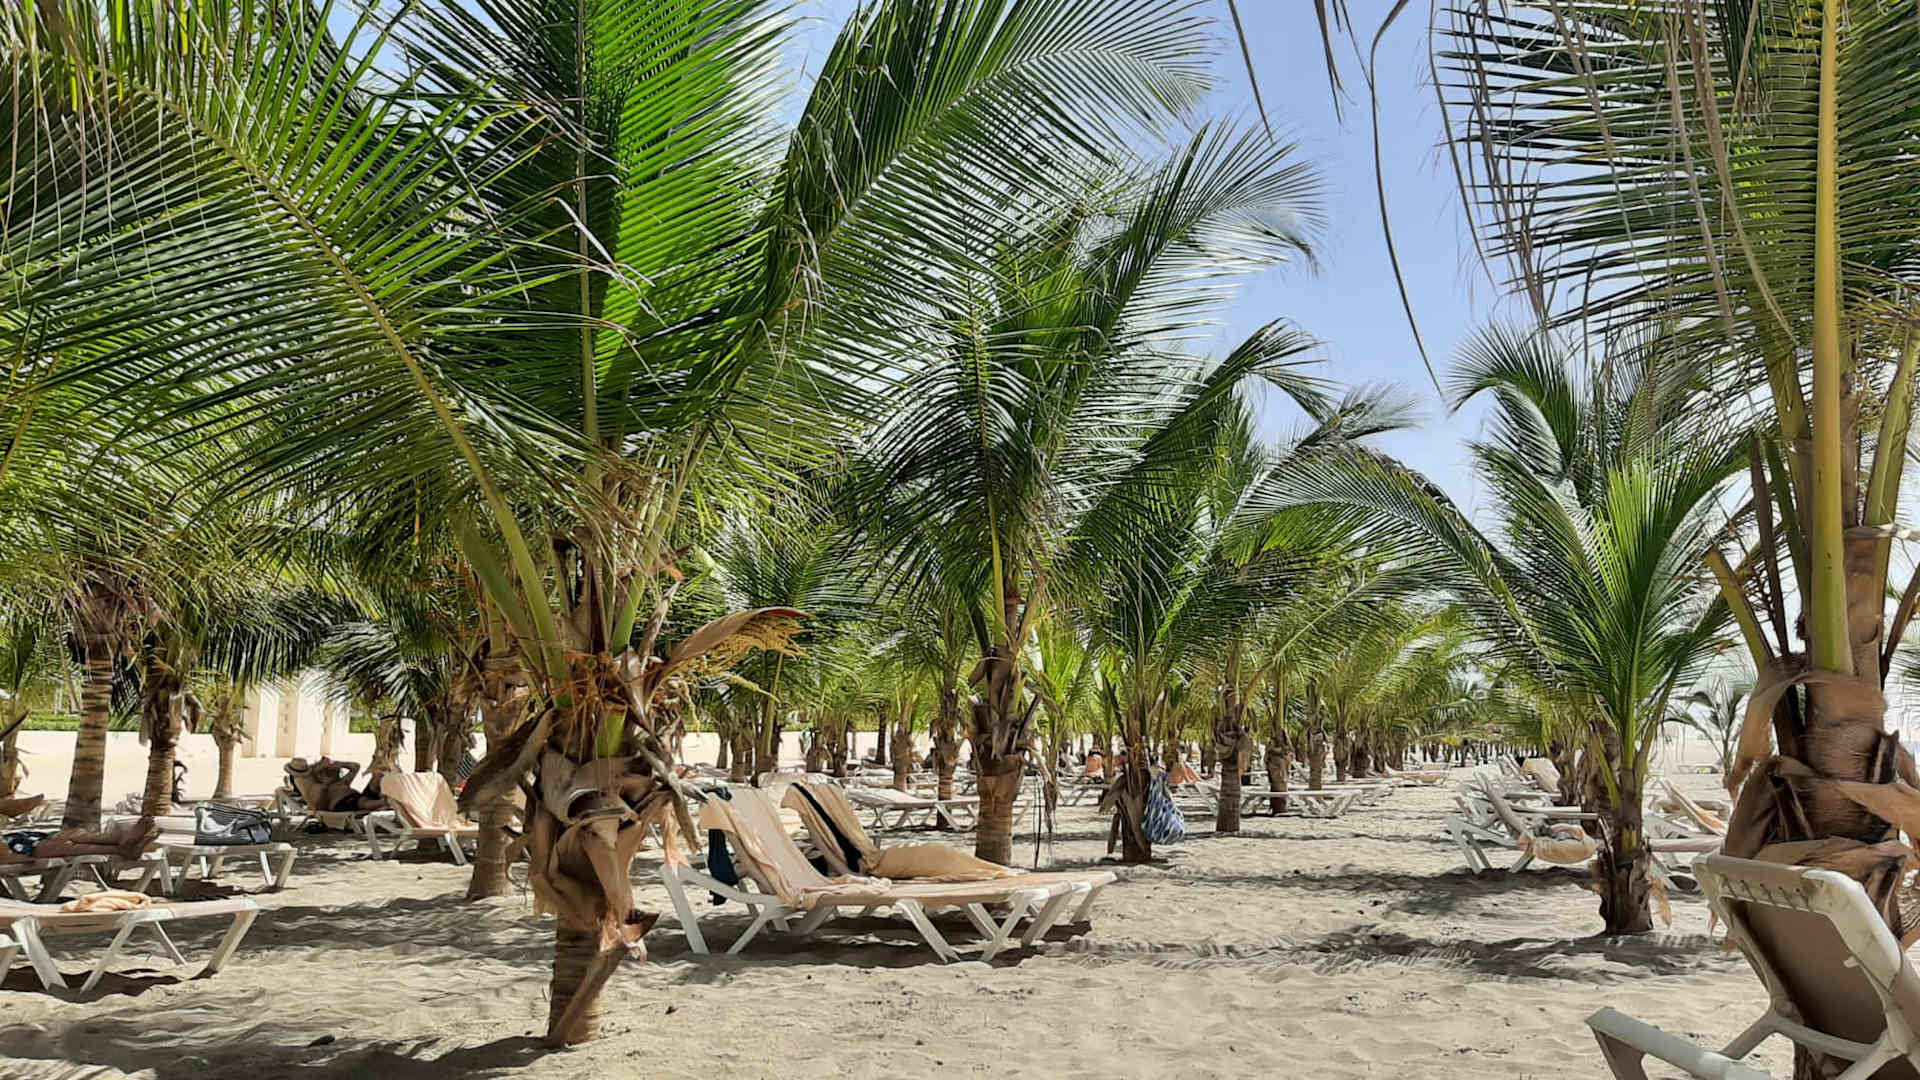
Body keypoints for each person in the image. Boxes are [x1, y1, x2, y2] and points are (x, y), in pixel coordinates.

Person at [287, 756, 389, 813]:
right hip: (346, 804)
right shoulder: (318, 788)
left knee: (378, 774)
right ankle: (386, 802)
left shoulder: (340, 783)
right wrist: (325, 787)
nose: (326, 772)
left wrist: (339, 764)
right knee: (364, 802)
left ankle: (386, 801)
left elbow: (355, 767)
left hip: (359, 798)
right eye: (322, 772)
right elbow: (320, 809)